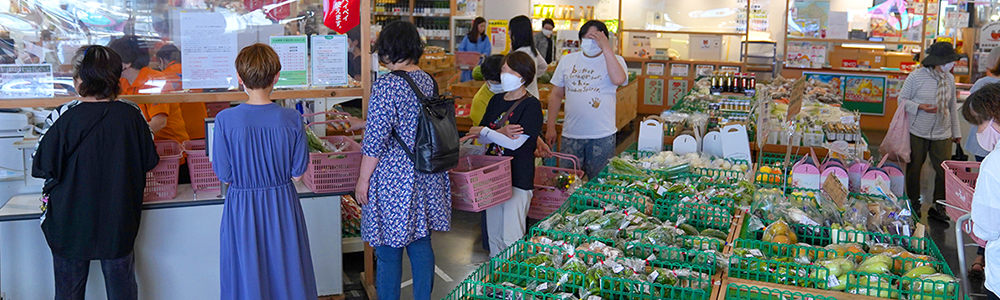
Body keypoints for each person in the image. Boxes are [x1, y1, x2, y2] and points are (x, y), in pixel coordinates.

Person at [32, 45, 159, 300]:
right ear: (116, 79)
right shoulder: (131, 115)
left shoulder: (62, 116)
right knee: (121, 287)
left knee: (69, 291)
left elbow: (42, 165)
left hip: (69, 220)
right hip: (118, 218)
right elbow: (149, 160)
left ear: (81, 79)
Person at [212, 43, 318, 300]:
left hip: (242, 205)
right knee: (287, 269)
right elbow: (297, 174)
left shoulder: (225, 120)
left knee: (246, 270)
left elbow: (224, 175)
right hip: (281, 203)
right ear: (276, 77)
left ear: (240, 78)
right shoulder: (292, 118)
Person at [354, 20, 450, 300]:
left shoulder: (386, 86)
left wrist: (363, 180)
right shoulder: (427, 80)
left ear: (389, 49)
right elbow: (411, 125)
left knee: (387, 249)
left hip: (395, 177)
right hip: (425, 171)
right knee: (420, 242)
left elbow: (375, 141)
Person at [467, 51, 543, 256]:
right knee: (493, 235)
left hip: (518, 177)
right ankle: (495, 280)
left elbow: (517, 143)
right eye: (503, 70)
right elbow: (481, 138)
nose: (504, 74)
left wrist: (486, 132)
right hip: (492, 175)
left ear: (524, 76)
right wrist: (496, 133)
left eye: (510, 71)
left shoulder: (532, 106)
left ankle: (511, 284)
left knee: (511, 237)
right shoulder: (496, 100)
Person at [545, 20, 628, 180]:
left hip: (602, 135)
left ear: (604, 38)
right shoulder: (567, 61)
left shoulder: (615, 60)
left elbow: (618, 79)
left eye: (595, 37)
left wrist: (606, 48)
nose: (590, 42)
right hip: (571, 134)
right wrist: (550, 127)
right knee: (565, 182)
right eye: (587, 37)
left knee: (600, 182)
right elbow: (556, 95)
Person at [899, 41, 962, 222]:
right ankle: (913, 204)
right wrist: (920, 107)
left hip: (943, 132)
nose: (952, 64)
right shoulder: (916, 77)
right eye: (948, 61)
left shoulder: (949, 79)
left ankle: (939, 206)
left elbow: (951, 107)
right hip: (917, 130)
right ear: (936, 61)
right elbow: (901, 101)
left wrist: (956, 132)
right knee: (914, 169)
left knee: (944, 171)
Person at [109, 36, 190, 146]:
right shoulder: (122, 82)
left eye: (113, 60)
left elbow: (159, 122)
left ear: (127, 63)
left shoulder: (155, 80)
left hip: (168, 149)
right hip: (144, 147)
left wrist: (129, 142)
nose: (110, 65)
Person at [964, 45, 1000, 280]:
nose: (978, 130)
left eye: (979, 123)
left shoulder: (993, 165)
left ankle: (980, 257)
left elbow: (987, 228)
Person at [156, 44, 209, 141]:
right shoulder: (194, 72)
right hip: (200, 127)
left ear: (161, 60)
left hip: (178, 131)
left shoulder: (161, 77)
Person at [508, 15, 548, 98]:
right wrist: (533, 76)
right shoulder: (532, 50)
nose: (508, 33)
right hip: (533, 95)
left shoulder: (519, 54)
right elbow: (544, 66)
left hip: (521, 98)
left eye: (510, 30)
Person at [458, 17, 491, 82]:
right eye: (481, 26)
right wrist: (467, 56)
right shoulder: (468, 37)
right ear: (476, 26)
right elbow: (461, 49)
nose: (483, 28)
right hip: (468, 66)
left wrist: (483, 55)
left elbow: (488, 50)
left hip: (479, 65)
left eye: (484, 26)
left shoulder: (485, 38)